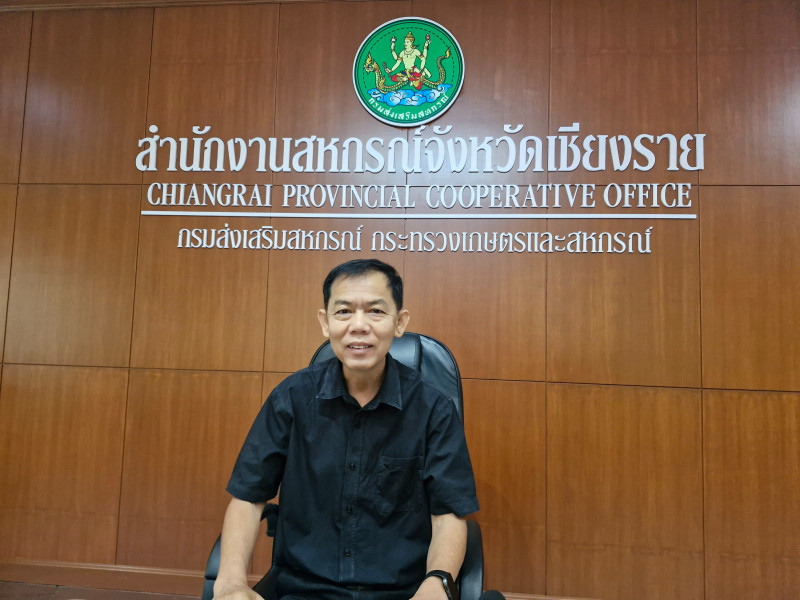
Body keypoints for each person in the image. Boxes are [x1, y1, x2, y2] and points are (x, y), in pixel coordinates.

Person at [214, 259, 479, 600]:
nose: (359, 326)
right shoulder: (291, 398)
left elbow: (448, 515)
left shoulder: (433, 409)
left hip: (402, 594)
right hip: (302, 591)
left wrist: (437, 582)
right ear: (325, 323)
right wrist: (231, 582)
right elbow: (249, 498)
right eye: (344, 312)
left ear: (400, 322)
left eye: (375, 311)